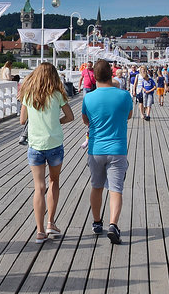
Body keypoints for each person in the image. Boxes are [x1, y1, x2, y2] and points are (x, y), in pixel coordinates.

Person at [19, 61, 75, 242]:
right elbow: (70, 116)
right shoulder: (57, 94)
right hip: (55, 144)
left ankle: (40, 231)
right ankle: (51, 222)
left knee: (39, 187)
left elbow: (22, 121)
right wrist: (56, 122)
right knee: (54, 181)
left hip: (35, 145)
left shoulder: (28, 94)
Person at [82, 59, 133, 245]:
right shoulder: (124, 95)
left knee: (96, 186)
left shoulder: (88, 98)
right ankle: (113, 225)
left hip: (96, 149)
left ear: (94, 76)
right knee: (115, 189)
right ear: (111, 74)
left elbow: (85, 120)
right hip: (118, 148)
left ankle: (97, 223)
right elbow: (129, 115)